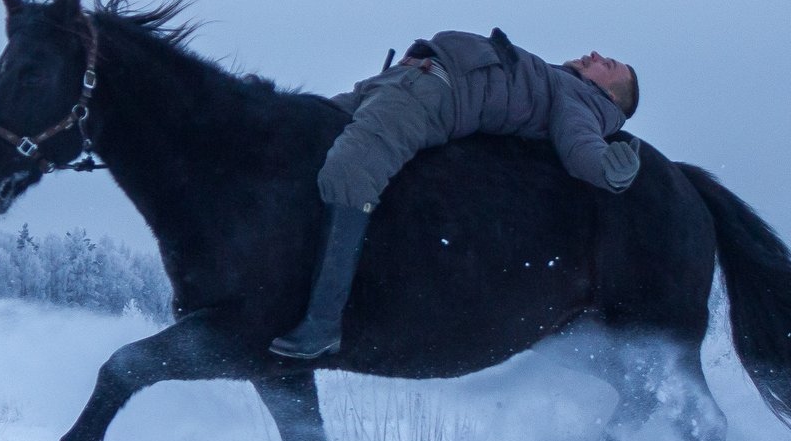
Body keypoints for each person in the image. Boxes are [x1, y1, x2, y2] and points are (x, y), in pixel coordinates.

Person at [270, 28, 642, 360]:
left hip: (427, 95)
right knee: (299, 130)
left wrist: (610, 170)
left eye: (607, 63)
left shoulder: (580, 99)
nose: (594, 54)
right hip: (396, 81)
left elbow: (581, 146)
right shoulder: (559, 79)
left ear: (608, 94)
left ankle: (323, 322)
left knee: (351, 171)